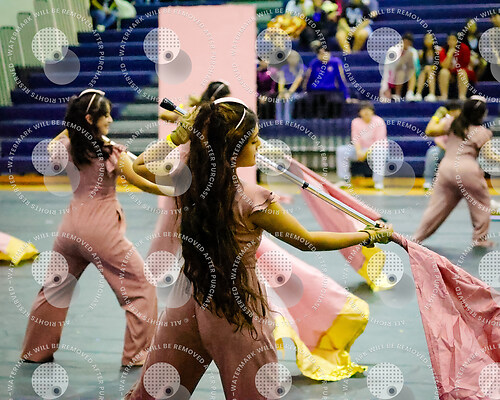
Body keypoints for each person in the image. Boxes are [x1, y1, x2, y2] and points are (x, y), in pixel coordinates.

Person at [126, 98, 393, 399]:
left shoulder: (187, 180)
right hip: (235, 305)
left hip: (187, 296)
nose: (259, 146)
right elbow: (308, 241)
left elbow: (139, 166)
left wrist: (178, 136)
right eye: (254, 141)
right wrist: (366, 236)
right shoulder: (253, 199)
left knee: (155, 392)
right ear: (234, 148)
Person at [20, 89, 166, 366]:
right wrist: (173, 191)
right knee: (141, 286)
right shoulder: (111, 152)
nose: (110, 119)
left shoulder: (67, 147)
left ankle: (35, 351)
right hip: (101, 231)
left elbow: (53, 146)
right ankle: (136, 355)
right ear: (90, 119)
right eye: (105, 115)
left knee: (53, 289)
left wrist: (75, 121)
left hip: (69, 228)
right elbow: (142, 181)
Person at [414, 96, 495, 247]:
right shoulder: (482, 132)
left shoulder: (453, 123)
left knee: (436, 207)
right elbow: (489, 156)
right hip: (467, 171)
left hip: (446, 169)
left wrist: (437, 115)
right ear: (482, 114)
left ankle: (417, 237)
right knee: (482, 203)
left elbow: (430, 130)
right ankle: (480, 239)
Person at [336, 101, 387, 190]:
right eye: (363, 110)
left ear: (372, 111)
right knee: (341, 150)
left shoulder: (379, 121)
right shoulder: (355, 122)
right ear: (359, 112)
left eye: (368, 110)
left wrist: (365, 153)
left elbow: (379, 142)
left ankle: (378, 182)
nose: (366, 112)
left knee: (380, 152)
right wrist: (359, 151)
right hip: (360, 150)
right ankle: (344, 180)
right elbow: (355, 139)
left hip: (375, 150)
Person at [423, 101, 462, 190]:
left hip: (461, 151)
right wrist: (447, 149)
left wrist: (437, 115)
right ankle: (428, 181)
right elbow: (434, 136)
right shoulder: (446, 122)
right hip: (445, 150)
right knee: (432, 152)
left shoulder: (464, 122)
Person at [159, 81, 230, 123]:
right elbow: (163, 115)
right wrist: (184, 113)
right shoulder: (195, 105)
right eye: (224, 99)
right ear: (213, 98)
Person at [380, 33, 419, 101]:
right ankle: (397, 94)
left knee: (411, 71)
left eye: (408, 43)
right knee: (401, 71)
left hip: (409, 77)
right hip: (395, 76)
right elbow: (388, 69)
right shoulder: (393, 50)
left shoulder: (413, 52)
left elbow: (416, 68)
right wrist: (384, 87)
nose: (406, 44)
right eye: (405, 42)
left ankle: (410, 92)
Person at [438, 32, 474, 101]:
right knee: (443, 72)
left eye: (453, 40)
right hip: (449, 73)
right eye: (449, 40)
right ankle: (444, 95)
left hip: (461, 71)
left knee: (461, 72)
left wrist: (454, 69)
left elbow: (465, 65)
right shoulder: (444, 49)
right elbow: (444, 66)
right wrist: (449, 54)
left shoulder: (464, 48)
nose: (451, 42)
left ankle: (462, 96)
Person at [274, 50, 304, 121]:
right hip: (286, 92)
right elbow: (281, 81)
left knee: (288, 99)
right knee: (279, 99)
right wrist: (282, 92)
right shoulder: (284, 68)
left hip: (299, 93)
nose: (292, 59)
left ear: (298, 58)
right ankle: (279, 121)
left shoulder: (301, 68)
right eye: (290, 57)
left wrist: (289, 93)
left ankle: (287, 121)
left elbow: (297, 82)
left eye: (294, 57)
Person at [414, 32, 440, 102]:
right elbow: (421, 65)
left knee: (429, 69)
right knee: (423, 72)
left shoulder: (438, 51)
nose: (428, 40)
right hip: (425, 72)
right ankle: (418, 93)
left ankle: (432, 93)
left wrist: (432, 67)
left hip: (436, 72)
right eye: (426, 39)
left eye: (429, 38)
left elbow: (439, 65)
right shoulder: (422, 53)